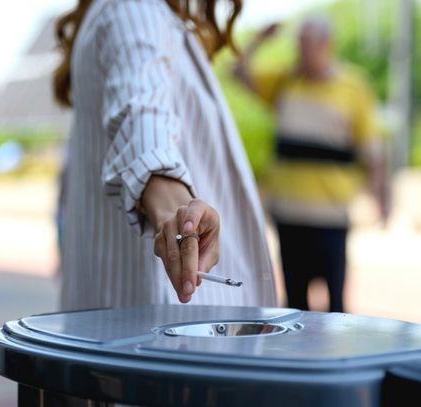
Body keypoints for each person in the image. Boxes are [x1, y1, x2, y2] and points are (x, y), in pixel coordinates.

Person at [53, 0, 277, 310]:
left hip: (127, 329)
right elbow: (143, 119)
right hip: (173, 334)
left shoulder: (131, 13)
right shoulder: (134, 10)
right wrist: (182, 214)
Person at [233, 16, 387, 312]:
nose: (301, 51)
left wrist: (380, 197)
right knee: (294, 303)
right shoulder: (285, 82)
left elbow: (373, 150)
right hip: (289, 213)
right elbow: (238, 73)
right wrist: (257, 42)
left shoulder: (353, 88)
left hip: (331, 216)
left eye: (308, 44)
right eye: (299, 44)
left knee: (336, 304)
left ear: (326, 45)